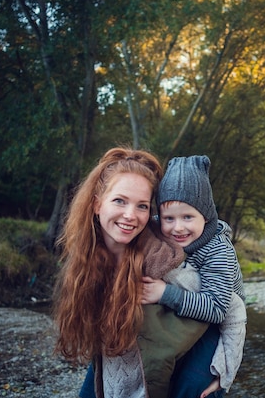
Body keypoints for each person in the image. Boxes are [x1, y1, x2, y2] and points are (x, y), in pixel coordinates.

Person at [52, 147, 208, 398]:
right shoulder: (87, 255)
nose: (130, 215)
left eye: (142, 206)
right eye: (119, 201)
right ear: (96, 204)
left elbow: (226, 305)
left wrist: (218, 370)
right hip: (111, 364)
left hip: (162, 380)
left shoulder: (162, 262)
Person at [141, 155, 246, 398]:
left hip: (217, 324)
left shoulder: (218, 250)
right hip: (183, 314)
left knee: (194, 384)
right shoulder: (160, 231)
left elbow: (217, 308)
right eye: (169, 218)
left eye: (187, 217)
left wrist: (164, 293)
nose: (178, 228)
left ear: (206, 216)